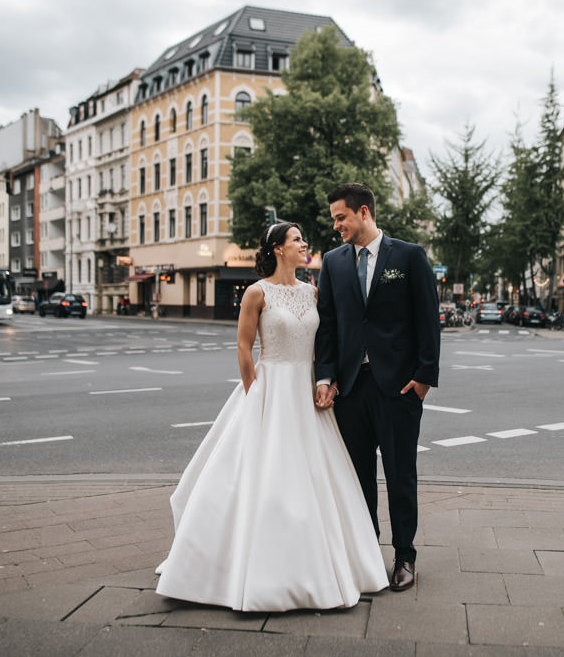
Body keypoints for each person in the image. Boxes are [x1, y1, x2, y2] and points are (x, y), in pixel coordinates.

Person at [155, 222, 387, 612]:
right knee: (262, 476)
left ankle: (325, 564)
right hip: (269, 387)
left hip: (306, 390)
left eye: (303, 238)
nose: (304, 244)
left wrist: (325, 381)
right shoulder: (256, 292)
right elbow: (244, 348)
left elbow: (322, 345)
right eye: (297, 239)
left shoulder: (313, 292)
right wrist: (254, 394)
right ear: (278, 248)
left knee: (315, 476)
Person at [314, 183, 441, 592]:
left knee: (401, 474)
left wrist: (423, 380)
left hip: (398, 388)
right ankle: (368, 554)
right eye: (334, 218)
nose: (336, 226)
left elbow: (428, 320)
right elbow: (329, 326)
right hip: (351, 389)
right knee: (358, 479)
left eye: (341, 217)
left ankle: (405, 556)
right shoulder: (332, 263)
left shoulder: (408, 256)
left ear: (364, 212)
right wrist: (326, 376)